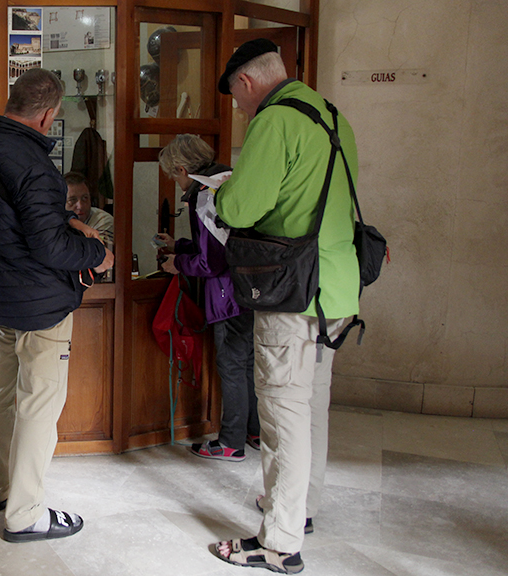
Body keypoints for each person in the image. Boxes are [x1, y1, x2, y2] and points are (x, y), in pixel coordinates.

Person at [210, 39, 359, 574]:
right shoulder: (331, 115)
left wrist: (223, 192)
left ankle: (278, 541)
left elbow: (241, 208)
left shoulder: (274, 121)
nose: (238, 108)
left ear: (246, 82)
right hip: (336, 288)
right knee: (311, 407)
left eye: (235, 97)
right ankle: (302, 509)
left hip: (292, 292)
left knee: (281, 416)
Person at [0, 68, 113, 543]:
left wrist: (64, 220)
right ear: (47, 115)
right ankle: (25, 514)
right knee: (39, 405)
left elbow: (9, 216)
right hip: (39, 304)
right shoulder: (34, 162)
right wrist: (97, 253)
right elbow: (49, 247)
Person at [156, 135, 258, 462]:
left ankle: (230, 442)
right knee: (247, 364)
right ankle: (254, 431)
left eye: (173, 176)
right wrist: (179, 245)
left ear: (182, 169)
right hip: (252, 287)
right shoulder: (229, 180)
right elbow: (220, 243)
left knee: (231, 366)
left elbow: (210, 262)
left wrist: (178, 264)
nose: (176, 183)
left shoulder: (204, 196)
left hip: (228, 295)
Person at [64, 171, 114, 248]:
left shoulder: (104, 221)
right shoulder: (53, 219)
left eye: (85, 198)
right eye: (72, 200)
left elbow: (98, 252)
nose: (80, 206)